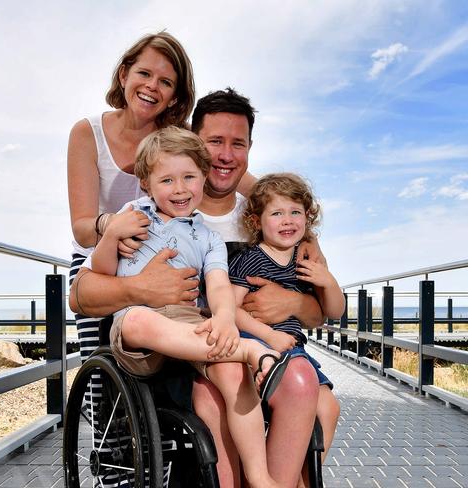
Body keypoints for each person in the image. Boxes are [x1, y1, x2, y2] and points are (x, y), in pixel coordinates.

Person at [89, 126, 287, 488]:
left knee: (233, 373)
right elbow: (101, 272)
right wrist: (112, 235)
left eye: (189, 177)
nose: (180, 189)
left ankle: (260, 477)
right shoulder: (133, 215)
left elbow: (218, 285)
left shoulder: (209, 238)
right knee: (136, 321)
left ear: (203, 177)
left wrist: (225, 317)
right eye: (167, 180)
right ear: (147, 184)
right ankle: (250, 349)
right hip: (142, 326)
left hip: (191, 325)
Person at [190, 88, 331, 488]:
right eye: (215, 141)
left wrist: (289, 301)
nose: (226, 155)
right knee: (216, 398)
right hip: (204, 350)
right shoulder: (174, 206)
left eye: (239, 144)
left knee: (319, 399)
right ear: (194, 141)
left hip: (266, 348)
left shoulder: (268, 217)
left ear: (250, 148)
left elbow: (320, 312)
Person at [67, 31, 197, 362]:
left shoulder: (176, 142)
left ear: (174, 96)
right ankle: (96, 409)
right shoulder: (87, 133)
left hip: (158, 253)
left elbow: (237, 176)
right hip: (98, 259)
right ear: (124, 74)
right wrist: (116, 226)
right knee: (98, 369)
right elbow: (82, 228)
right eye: (144, 73)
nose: (152, 86)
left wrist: (299, 217)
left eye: (166, 82)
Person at [230, 172, 345, 472]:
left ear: (308, 218)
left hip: (294, 351)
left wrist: (328, 281)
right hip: (259, 347)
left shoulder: (305, 261)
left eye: (295, 212)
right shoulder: (251, 259)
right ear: (257, 222)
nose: (287, 220)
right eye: (277, 213)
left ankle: (302, 480)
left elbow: (334, 312)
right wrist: (268, 333)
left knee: (329, 408)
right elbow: (230, 308)